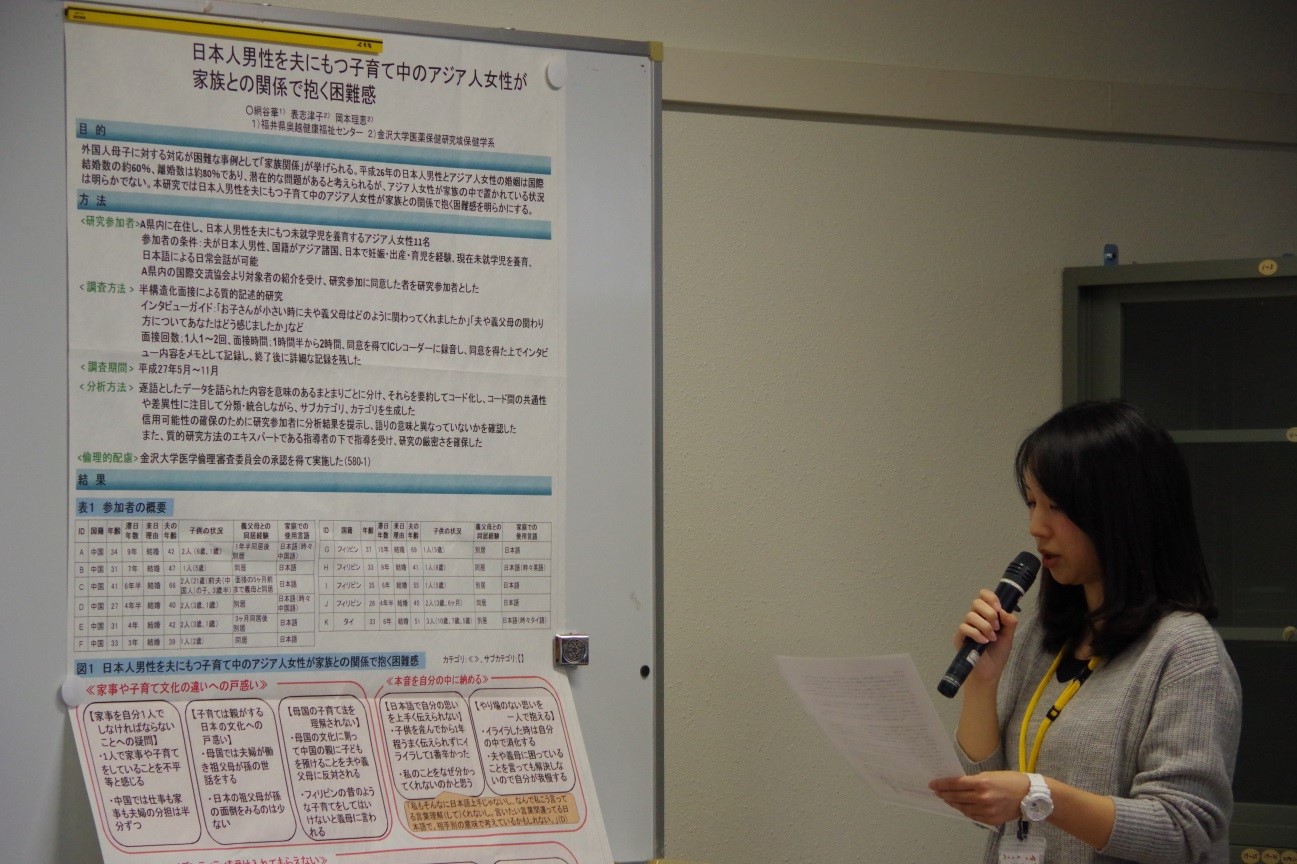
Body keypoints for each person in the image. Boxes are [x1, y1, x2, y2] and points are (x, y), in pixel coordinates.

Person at [929, 399, 1242, 864]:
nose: (1036, 527)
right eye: (1032, 503)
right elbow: (986, 806)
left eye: (1056, 506)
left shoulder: (1185, 651)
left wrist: (1039, 795)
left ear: (1122, 509)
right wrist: (982, 680)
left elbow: (1183, 831)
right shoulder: (1041, 638)